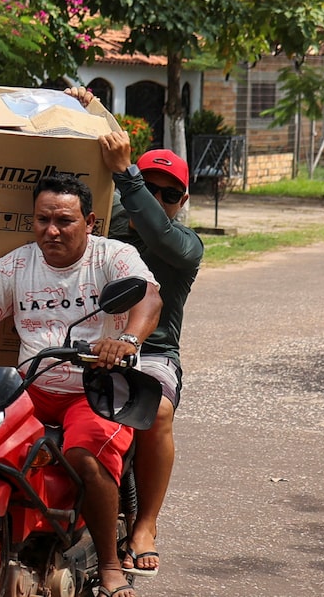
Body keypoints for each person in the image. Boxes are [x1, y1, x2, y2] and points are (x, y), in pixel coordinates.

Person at [0, 172, 162, 597]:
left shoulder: (113, 257)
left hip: (96, 389)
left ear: (90, 221)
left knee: (84, 456)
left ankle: (108, 566)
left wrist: (126, 340)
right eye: (42, 219)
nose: (52, 230)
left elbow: (148, 299)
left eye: (64, 221)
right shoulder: (17, 264)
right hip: (32, 386)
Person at [71, 96, 201, 581]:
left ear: (181, 202)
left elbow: (161, 233)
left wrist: (128, 176)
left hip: (151, 353)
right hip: (86, 341)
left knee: (158, 409)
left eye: (170, 194)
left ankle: (144, 525)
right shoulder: (101, 232)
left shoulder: (184, 248)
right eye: (151, 187)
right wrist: (86, 109)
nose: (161, 199)